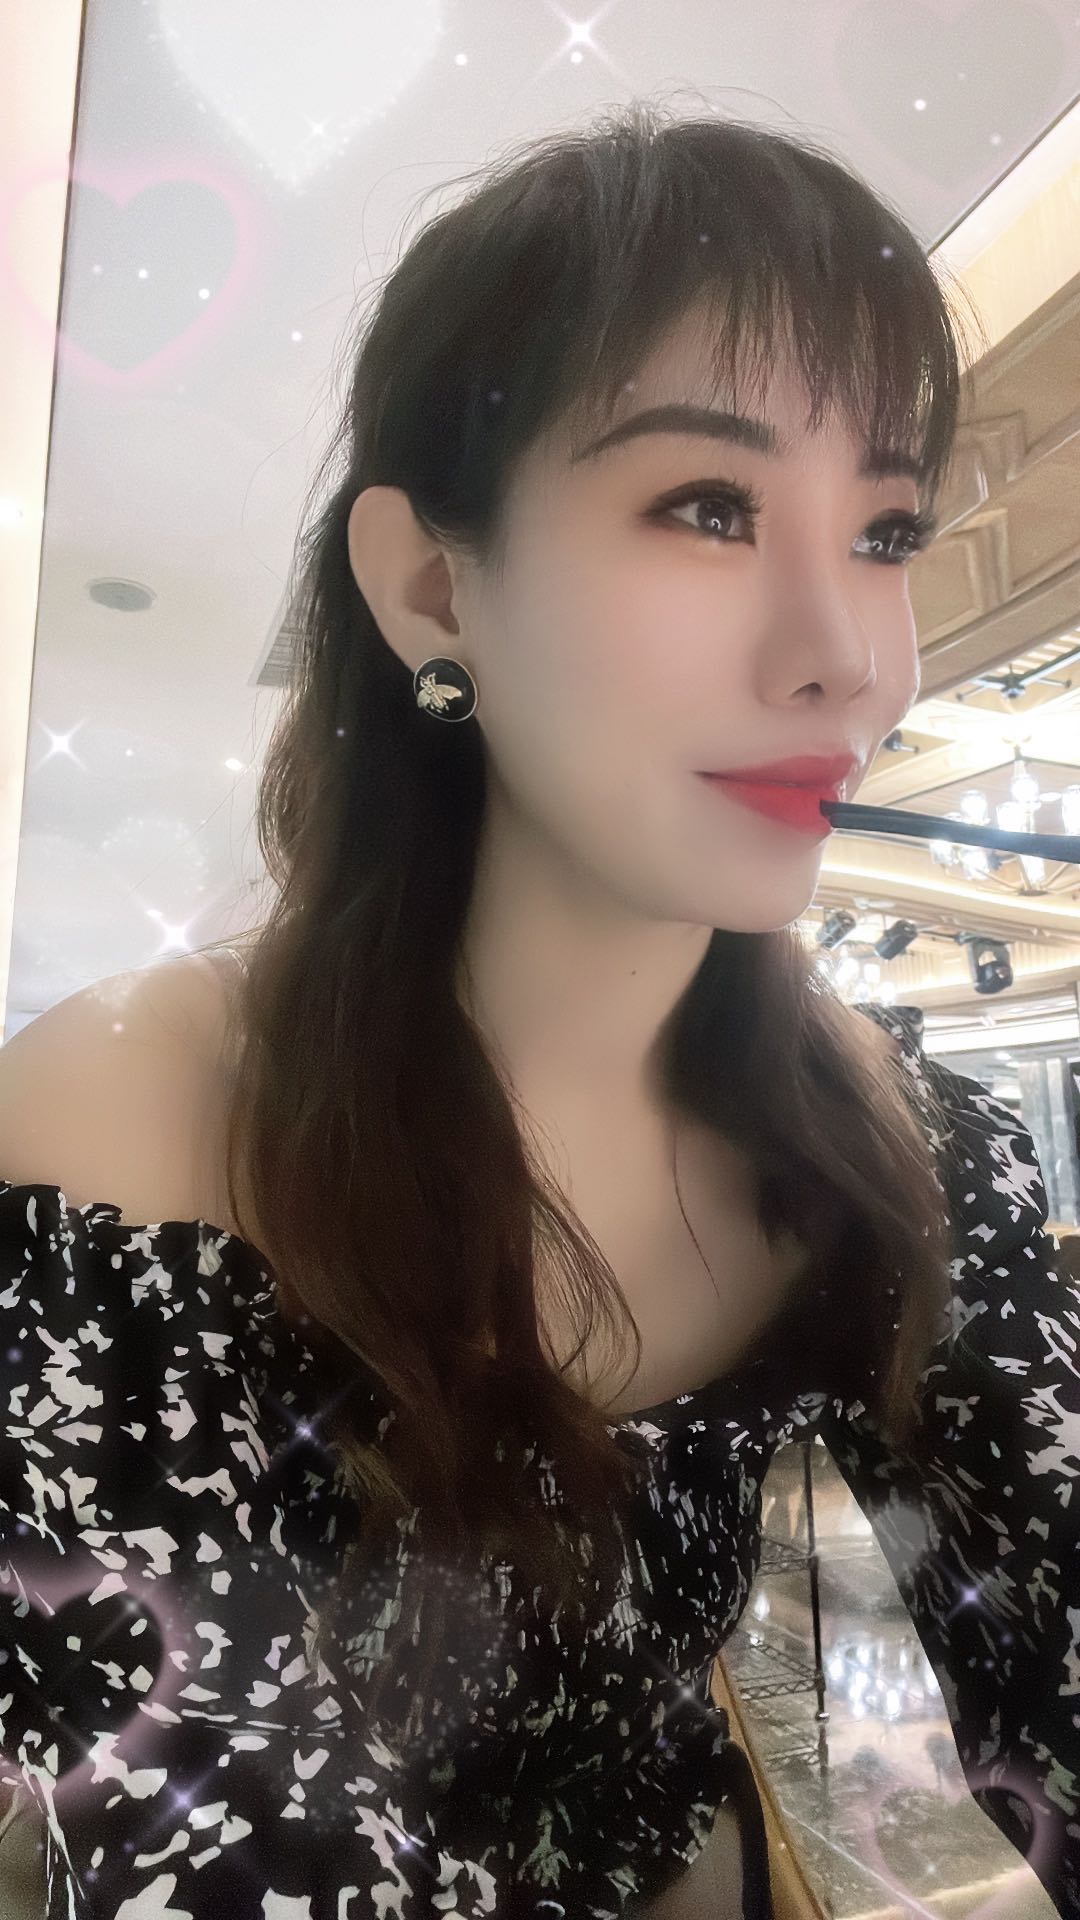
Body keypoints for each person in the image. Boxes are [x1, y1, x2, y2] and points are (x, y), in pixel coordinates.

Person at [1, 98, 1077, 1920]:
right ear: (434, 587)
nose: (847, 654)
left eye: (888, 528)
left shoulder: (901, 1132)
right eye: (709, 507)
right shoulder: (121, 1134)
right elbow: (212, 1833)